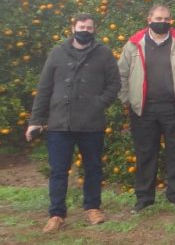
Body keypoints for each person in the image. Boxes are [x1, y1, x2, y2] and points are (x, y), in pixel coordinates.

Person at [27, 13, 121, 233]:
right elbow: (44, 89)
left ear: (94, 30)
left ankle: (93, 208)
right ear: (72, 27)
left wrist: (98, 103)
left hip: (91, 122)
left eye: (89, 27)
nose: (85, 30)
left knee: (93, 168)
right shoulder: (57, 53)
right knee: (59, 171)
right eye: (82, 26)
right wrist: (36, 120)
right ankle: (57, 214)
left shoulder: (104, 53)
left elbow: (114, 84)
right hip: (60, 122)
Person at [118, 5, 175, 213]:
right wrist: (127, 99)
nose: (162, 21)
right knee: (145, 153)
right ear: (149, 18)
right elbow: (121, 74)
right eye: (158, 18)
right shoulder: (134, 44)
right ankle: (144, 197)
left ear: (171, 21)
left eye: (166, 18)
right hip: (144, 109)